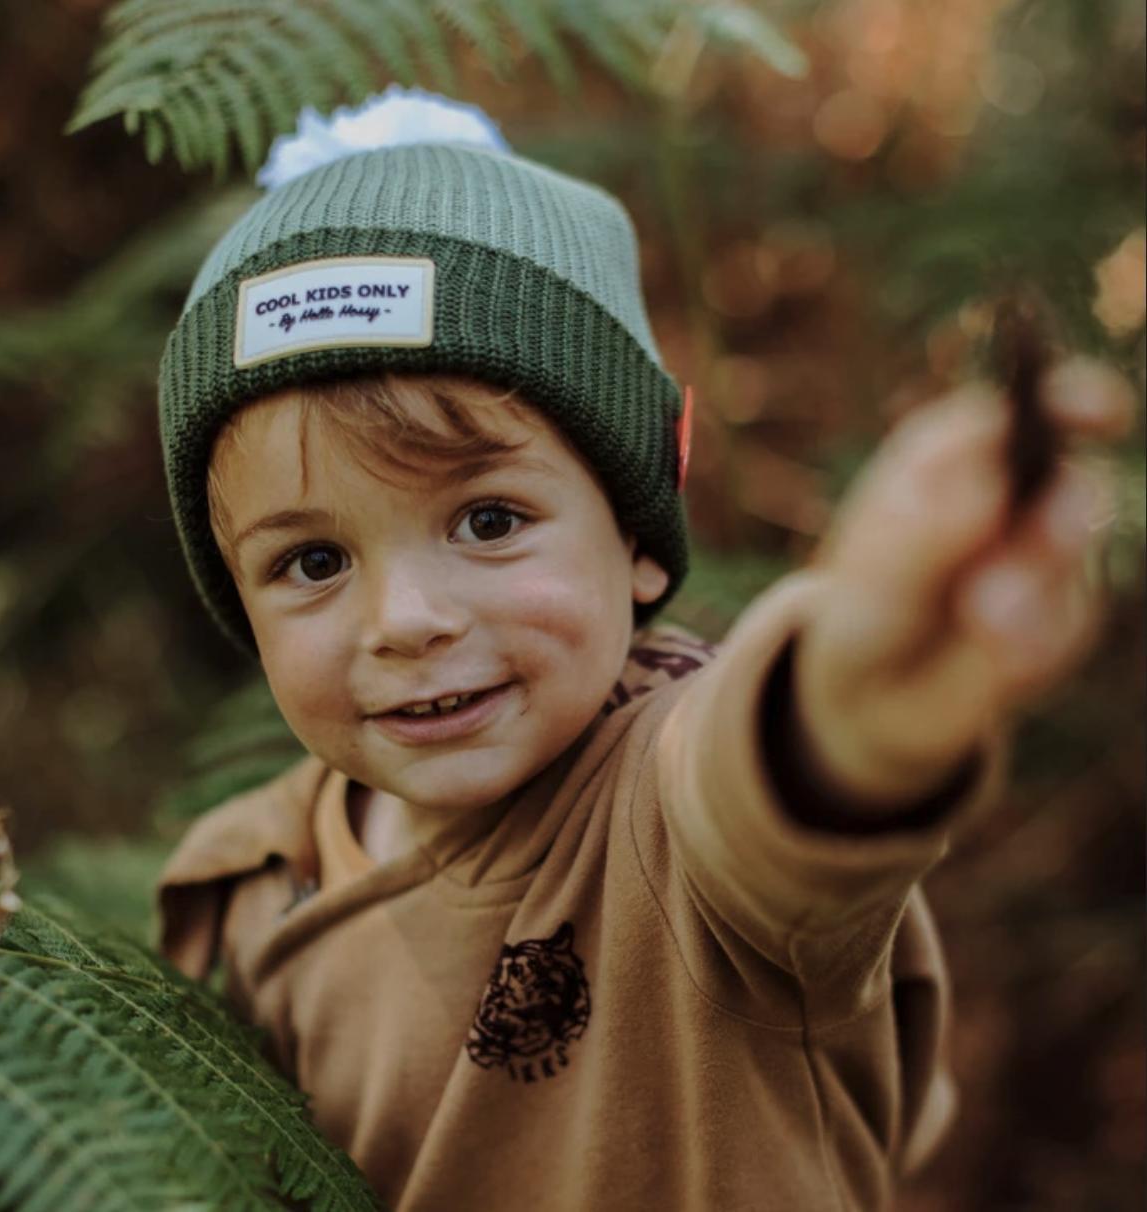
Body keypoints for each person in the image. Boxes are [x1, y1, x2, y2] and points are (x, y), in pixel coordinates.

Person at [155, 108, 1133, 1212]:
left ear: (633, 534)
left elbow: (775, 787)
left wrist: (859, 684)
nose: (407, 619)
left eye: (487, 521)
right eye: (314, 558)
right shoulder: (243, 878)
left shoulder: (675, 829)